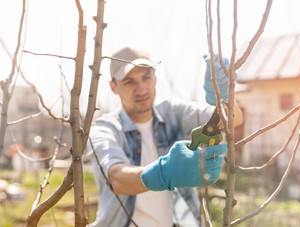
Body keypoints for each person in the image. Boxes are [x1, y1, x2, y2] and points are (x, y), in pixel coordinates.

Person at [87, 46, 243, 227]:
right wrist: (164, 172)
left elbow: (233, 120)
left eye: (146, 77)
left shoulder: (173, 112)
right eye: (129, 82)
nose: (141, 89)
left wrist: (222, 94)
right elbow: (116, 178)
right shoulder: (104, 128)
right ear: (114, 87)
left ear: (155, 77)